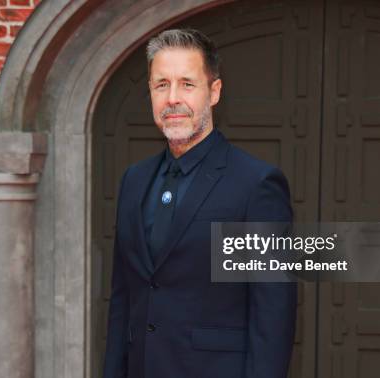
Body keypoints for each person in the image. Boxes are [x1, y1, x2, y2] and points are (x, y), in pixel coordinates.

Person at [103, 28, 296, 378]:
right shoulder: (134, 180)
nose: (173, 98)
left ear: (214, 92)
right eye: (161, 85)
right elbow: (122, 300)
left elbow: (273, 315)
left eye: (187, 84)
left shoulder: (256, 185)